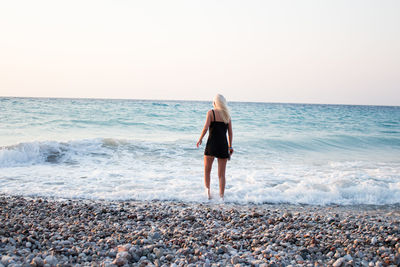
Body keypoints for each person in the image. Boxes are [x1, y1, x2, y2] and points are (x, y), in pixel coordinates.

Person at [197, 94, 233, 200]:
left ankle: (208, 195)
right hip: (223, 145)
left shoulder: (211, 113)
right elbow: (230, 133)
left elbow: (205, 128)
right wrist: (230, 147)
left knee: (207, 170)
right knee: (221, 174)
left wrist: (200, 139)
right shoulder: (227, 115)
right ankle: (221, 196)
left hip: (211, 145)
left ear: (215, 103)